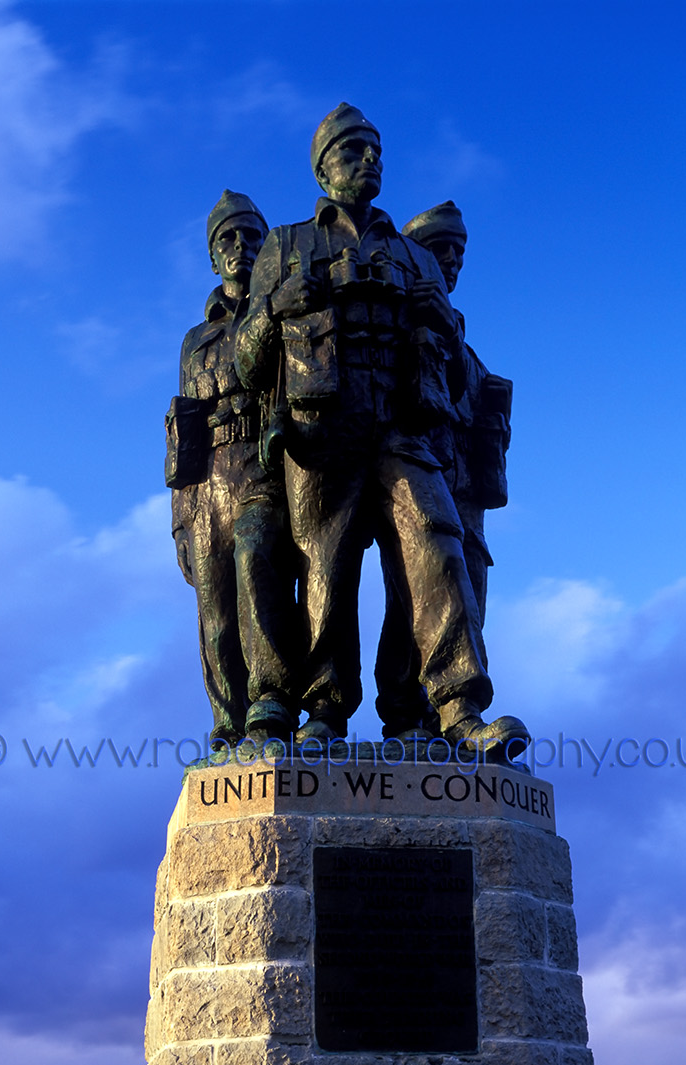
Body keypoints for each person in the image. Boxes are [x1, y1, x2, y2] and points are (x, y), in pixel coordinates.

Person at [235, 104, 503, 751]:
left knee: (436, 541)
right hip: (322, 426)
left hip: (402, 425)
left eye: (375, 151)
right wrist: (273, 308)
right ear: (323, 166)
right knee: (326, 569)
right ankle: (325, 709)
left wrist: (439, 315)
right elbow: (247, 360)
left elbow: (461, 381)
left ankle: (456, 707)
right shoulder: (287, 244)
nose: (369, 161)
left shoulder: (414, 258)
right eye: (353, 151)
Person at [374, 201, 513, 738]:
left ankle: (439, 722)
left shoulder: (467, 352)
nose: (450, 261)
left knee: (466, 600)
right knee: (412, 596)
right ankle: (407, 714)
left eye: (458, 253)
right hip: (412, 475)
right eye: (439, 251)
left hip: (466, 497)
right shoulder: (396, 333)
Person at [168, 190, 298, 749]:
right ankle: (227, 720)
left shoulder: (282, 308)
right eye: (228, 237)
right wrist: (179, 522)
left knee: (255, 556)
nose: (240, 246)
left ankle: (271, 703)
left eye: (250, 235)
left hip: (262, 467)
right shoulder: (194, 340)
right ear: (213, 253)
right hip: (206, 485)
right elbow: (183, 428)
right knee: (215, 609)